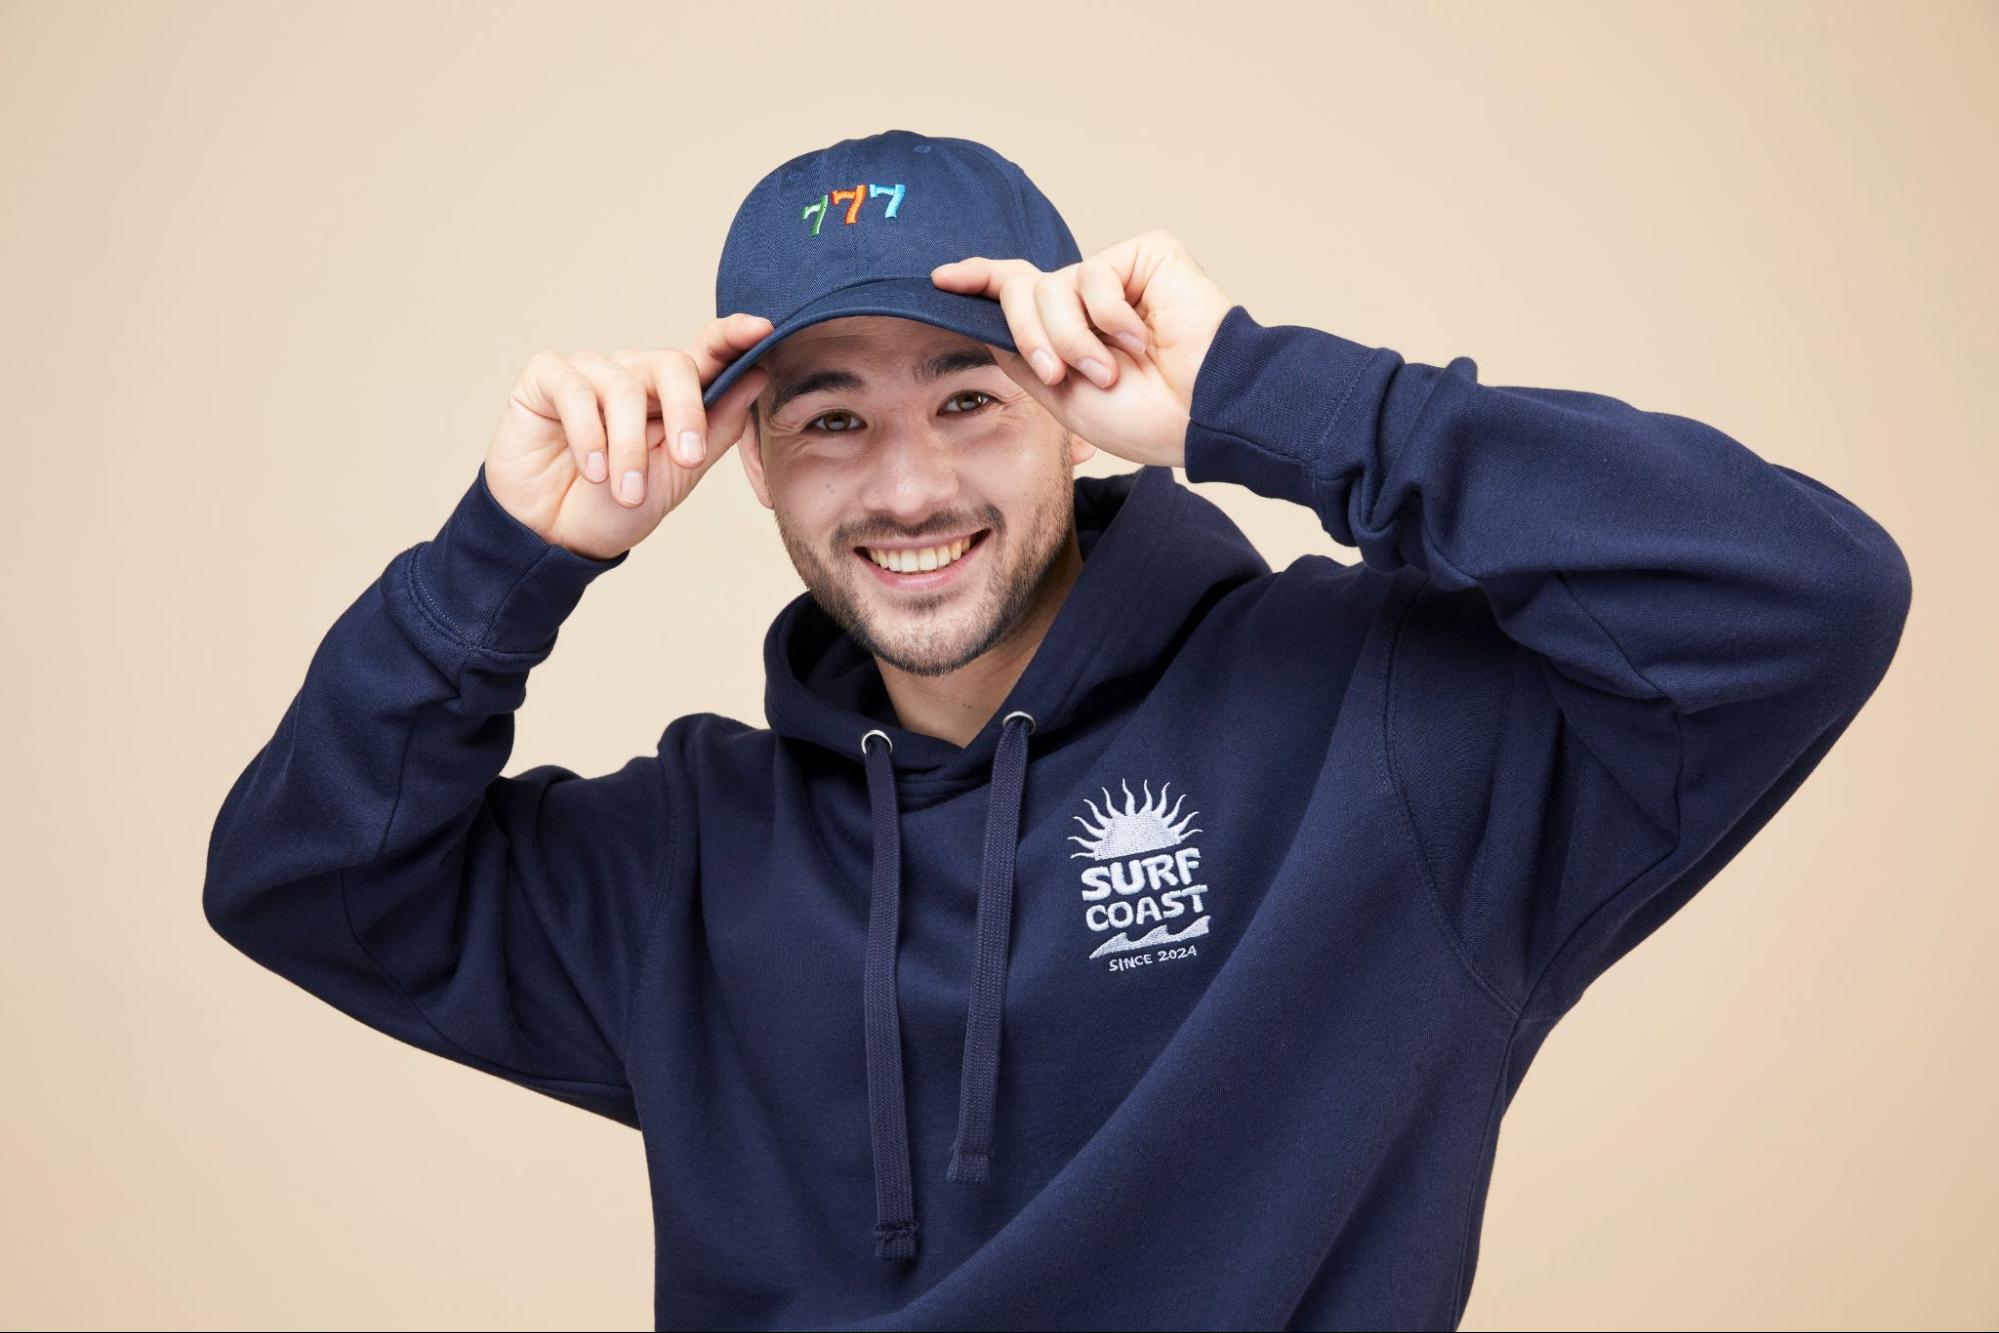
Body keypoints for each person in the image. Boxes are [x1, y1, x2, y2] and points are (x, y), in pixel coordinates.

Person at [202, 128, 1913, 1330]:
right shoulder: (686, 862)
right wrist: (507, 553)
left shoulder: (1375, 730)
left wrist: (1260, 391)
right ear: (747, 464)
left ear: (1077, 410)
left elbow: (1802, 596)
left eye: (968, 398)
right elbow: (301, 880)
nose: (910, 485)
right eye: (828, 419)